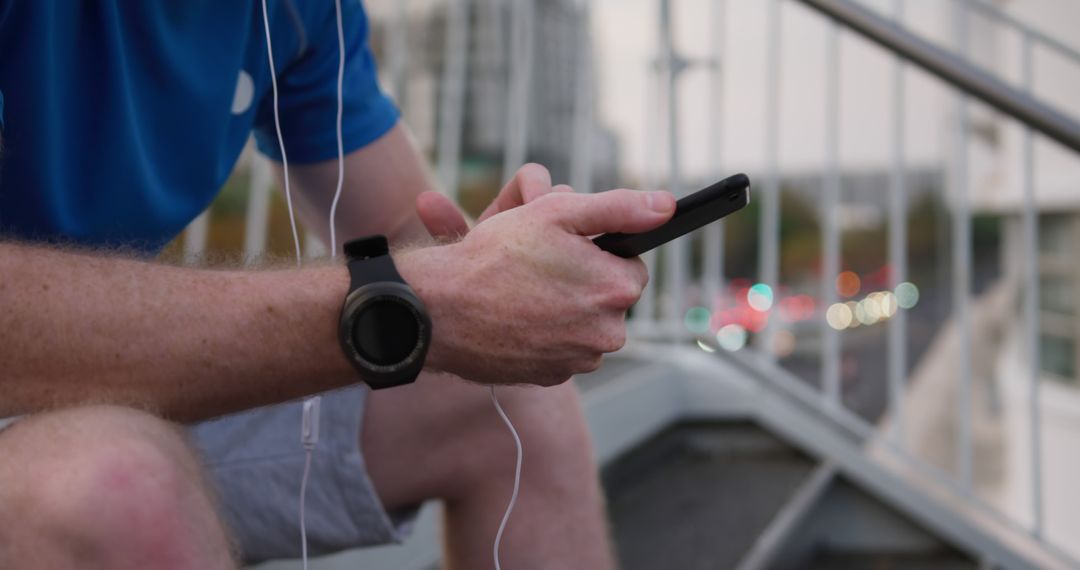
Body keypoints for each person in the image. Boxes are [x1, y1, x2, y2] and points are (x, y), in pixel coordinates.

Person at [0, 2, 674, 568]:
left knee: (514, 400)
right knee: (117, 487)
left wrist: (502, 261)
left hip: (110, 391)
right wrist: (423, 298)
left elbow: (402, 227)